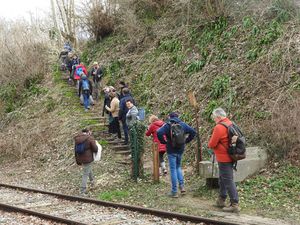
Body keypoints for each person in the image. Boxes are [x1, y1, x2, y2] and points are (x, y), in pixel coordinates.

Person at [208, 108, 240, 213]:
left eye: (214, 117)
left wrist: (210, 144)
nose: (214, 119)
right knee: (222, 179)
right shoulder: (230, 123)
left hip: (224, 158)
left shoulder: (219, 127)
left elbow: (212, 144)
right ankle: (221, 199)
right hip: (231, 156)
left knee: (228, 180)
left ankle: (234, 204)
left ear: (218, 117)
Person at [157, 112, 196, 198]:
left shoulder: (167, 125)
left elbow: (159, 132)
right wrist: (186, 141)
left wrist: (164, 141)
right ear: (178, 117)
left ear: (169, 117)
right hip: (180, 149)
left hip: (171, 150)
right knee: (178, 167)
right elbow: (193, 132)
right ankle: (182, 187)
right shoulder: (183, 124)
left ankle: (174, 191)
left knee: (173, 169)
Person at [74, 128, 98, 195]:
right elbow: (95, 149)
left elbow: (75, 150)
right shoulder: (89, 138)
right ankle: (82, 190)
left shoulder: (77, 138)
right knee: (85, 173)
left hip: (80, 158)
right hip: (88, 158)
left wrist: (77, 159)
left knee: (88, 169)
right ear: (88, 132)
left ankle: (92, 182)